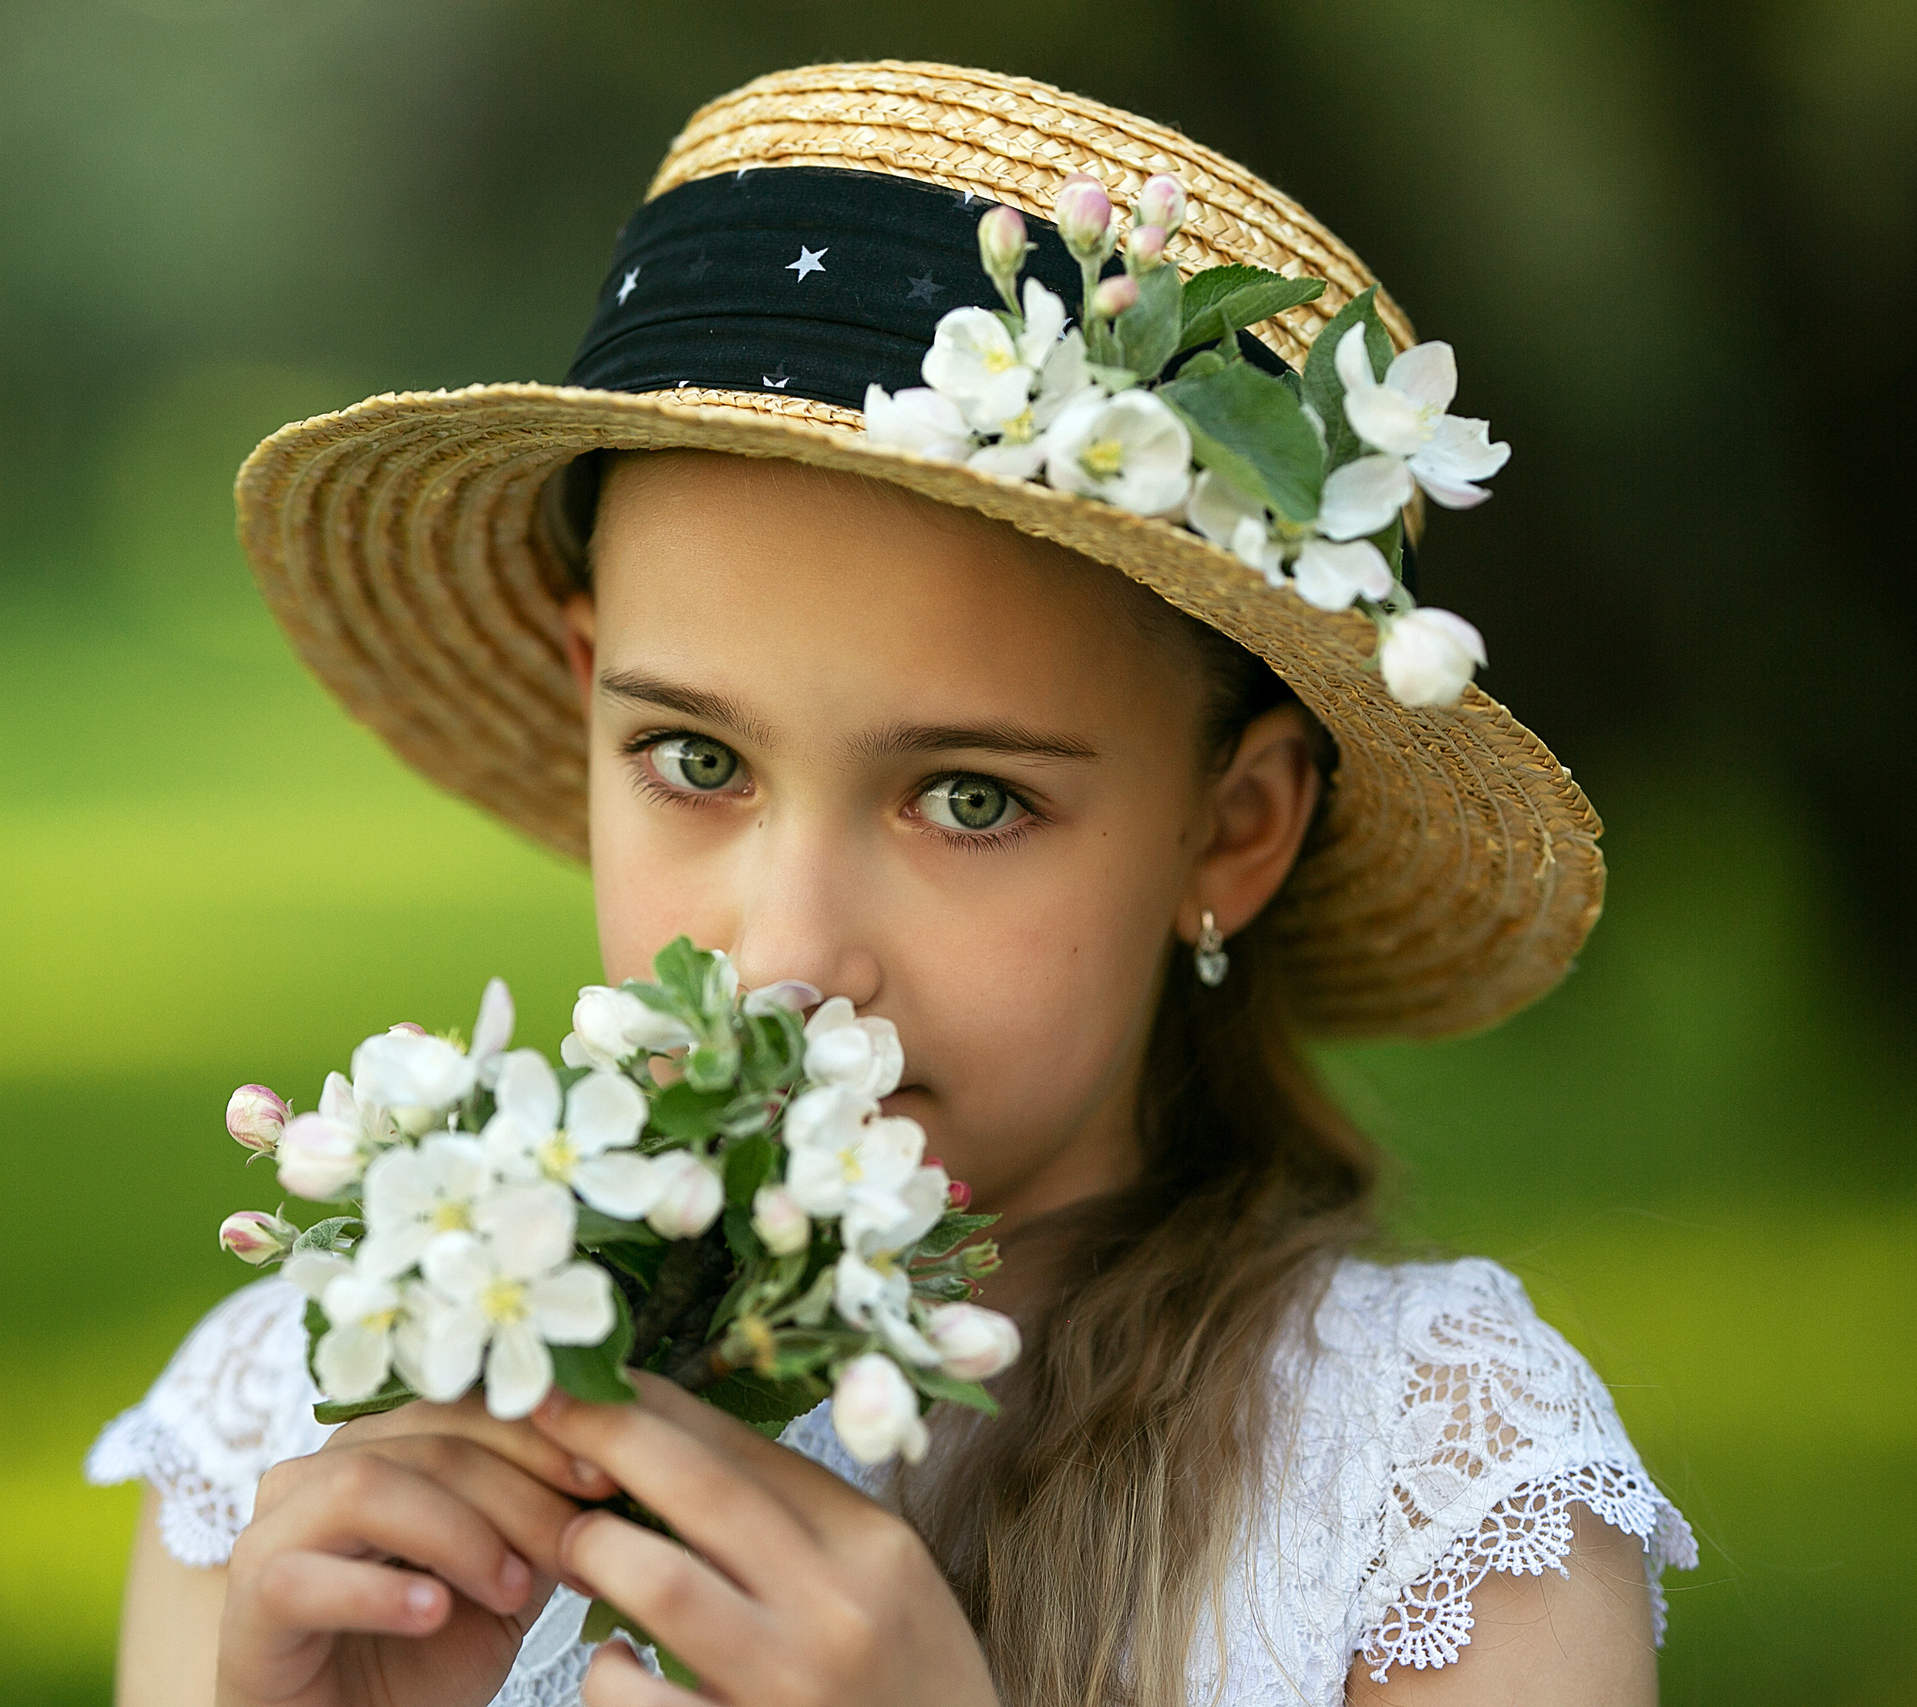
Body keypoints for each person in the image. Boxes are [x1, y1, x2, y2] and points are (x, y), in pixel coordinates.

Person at [88, 60, 1695, 1707]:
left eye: (971, 797)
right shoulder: (315, 1423)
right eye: (697, 762)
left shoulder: (1424, 1483)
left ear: (1234, 830)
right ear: (590, 698)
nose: (789, 957)